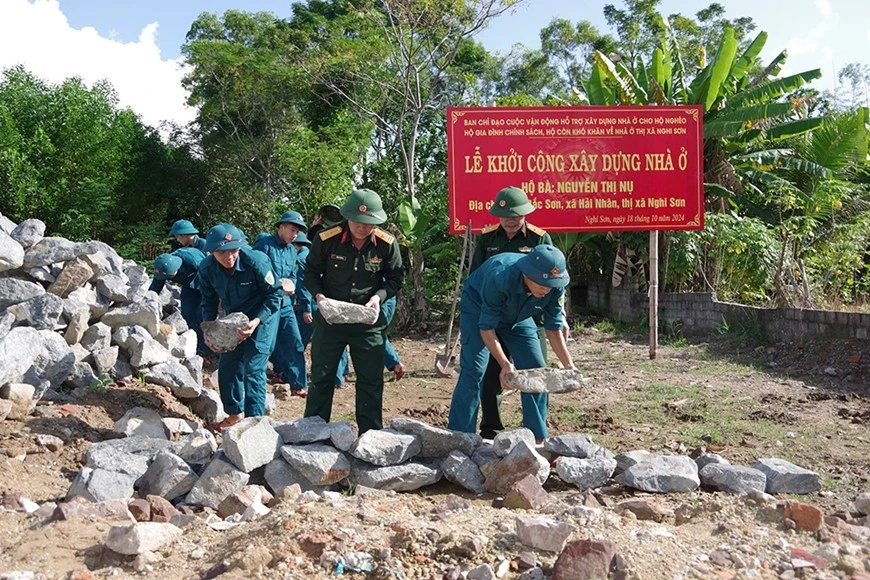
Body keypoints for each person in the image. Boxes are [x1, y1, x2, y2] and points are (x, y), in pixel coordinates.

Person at [447, 244, 575, 441]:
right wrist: (505, 364)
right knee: (474, 370)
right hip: (479, 308)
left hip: (519, 314)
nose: (546, 289)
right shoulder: (500, 276)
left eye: (551, 285)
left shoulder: (554, 286)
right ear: (527, 274)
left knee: (536, 370)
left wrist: (569, 366)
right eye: (541, 284)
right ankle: (459, 437)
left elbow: (553, 328)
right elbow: (487, 328)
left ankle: (537, 439)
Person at [304, 189, 403, 433]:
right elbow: (310, 272)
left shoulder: (387, 244)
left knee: (370, 380)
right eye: (357, 222)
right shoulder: (327, 239)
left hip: (367, 321)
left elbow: (395, 279)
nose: (362, 227)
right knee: (322, 377)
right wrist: (319, 296)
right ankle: (313, 433)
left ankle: (370, 435)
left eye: (368, 223)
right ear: (347, 216)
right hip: (332, 319)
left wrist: (379, 298)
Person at [470, 186, 554, 440]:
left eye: (516, 215)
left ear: (525, 214)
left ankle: (536, 432)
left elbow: (554, 277)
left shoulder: (538, 239)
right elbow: (475, 276)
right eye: (505, 215)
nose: (510, 220)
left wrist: (553, 318)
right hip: (494, 315)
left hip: (529, 317)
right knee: (490, 375)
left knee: (535, 372)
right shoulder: (487, 239)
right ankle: (491, 430)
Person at [199, 223, 282, 430]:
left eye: (233, 251)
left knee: (254, 368)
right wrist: (209, 329)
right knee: (228, 366)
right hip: (233, 318)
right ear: (212, 252)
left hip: (262, 316)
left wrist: (256, 322)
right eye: (222, 253)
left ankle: (255, 424)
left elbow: (275, 294)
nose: (229, 257)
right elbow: (208, 300)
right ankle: (235, 414)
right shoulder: (207, 268)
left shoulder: (255, 261)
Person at [253, 211, 308, 397]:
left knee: (294, 341)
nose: (295, 235)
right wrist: (277, 284)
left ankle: (298, 384)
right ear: (281, 226)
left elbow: (292, 274)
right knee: (266, 345)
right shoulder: (264, 246)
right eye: (292, 230)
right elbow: (256, 272)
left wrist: (290, 283)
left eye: (297, 232)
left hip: (285, 303)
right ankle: (257, 384)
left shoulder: (292, 250)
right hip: (266, 303)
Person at [148, 248, 212, 357]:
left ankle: (210, 349)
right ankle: (197, 346)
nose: (168, 278)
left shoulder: (192, 259)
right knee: (186, 315)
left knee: (202, 315)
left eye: (170, 276)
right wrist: (146, 303)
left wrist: (219, 295)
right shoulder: (162, 266)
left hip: (207, 286)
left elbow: (211, 273)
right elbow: (155, 288)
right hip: (189, 286)